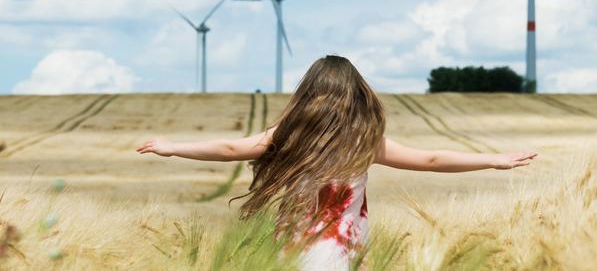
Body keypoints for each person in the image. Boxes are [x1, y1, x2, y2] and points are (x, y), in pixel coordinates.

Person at [136, 55, 537, 269]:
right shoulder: (364, 142)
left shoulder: (289, 135)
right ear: (355, 94)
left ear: (309, 93)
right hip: (343, 251)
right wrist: (493, 160)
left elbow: (228, 150)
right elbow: (430, 159)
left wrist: (174, 147)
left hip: (293, 249)